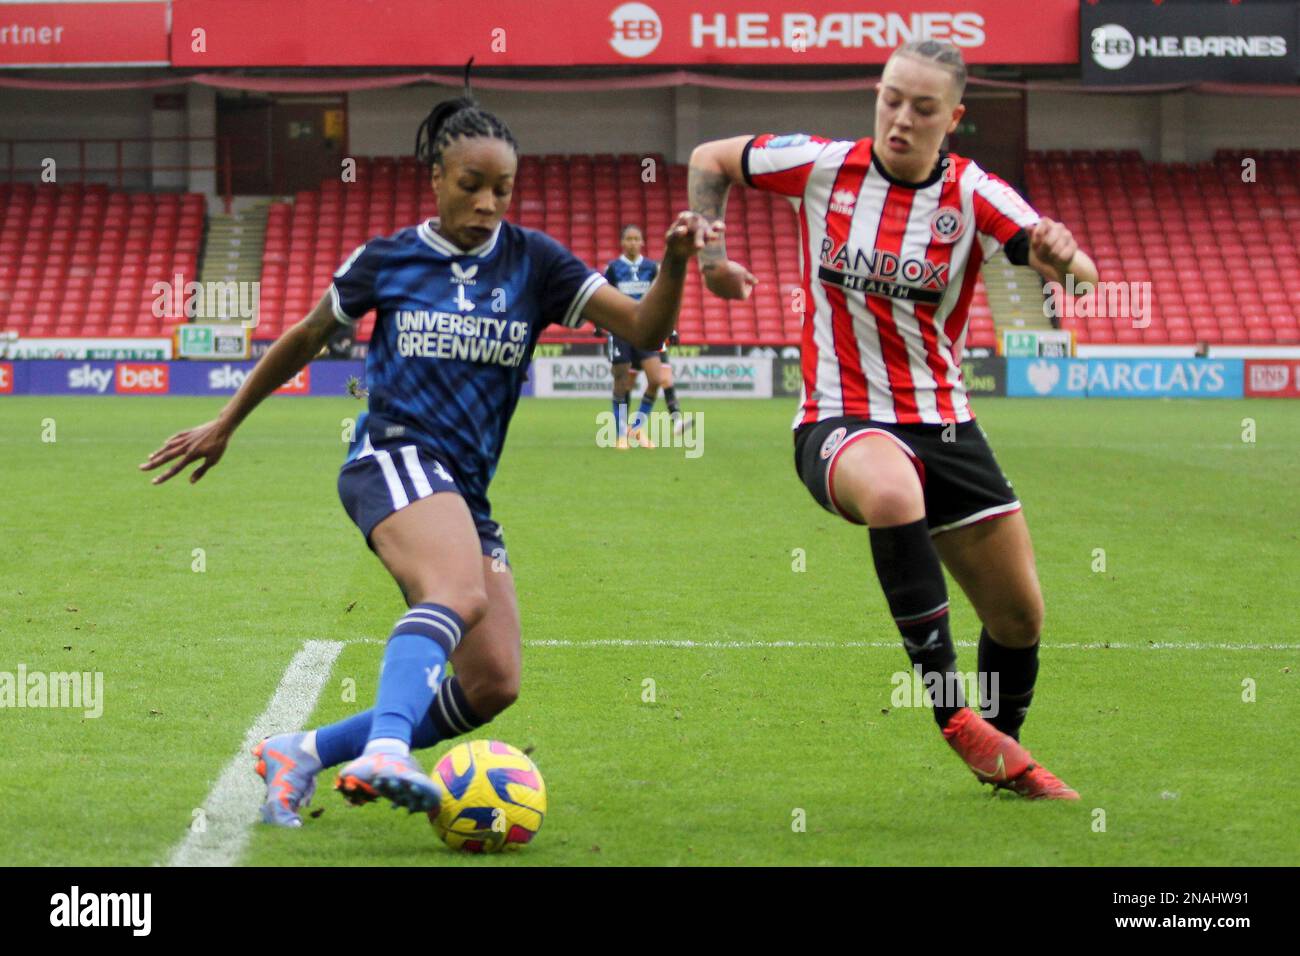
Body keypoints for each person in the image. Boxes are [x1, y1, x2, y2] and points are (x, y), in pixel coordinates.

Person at [140, 96, 719, 825]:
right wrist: (227, 421)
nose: (486, 203)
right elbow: (306, 336)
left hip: (463, 489)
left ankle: (304, 751)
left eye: (501, 190)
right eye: (470, 185)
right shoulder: (387, 260)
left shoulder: (535, 262)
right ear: (436, 178)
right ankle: (386, 748)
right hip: (392, 455)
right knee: (458, 591)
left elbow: (643, 327)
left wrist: (670, 264)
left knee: (492, 680)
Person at [686, 40, 1098, 799]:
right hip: (838, 420)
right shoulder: (819, 166)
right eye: (890, 99)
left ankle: (1005, 760)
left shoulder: (974, 194)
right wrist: (711, 255)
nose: (901, 118)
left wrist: (1063, 255)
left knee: (1018, 617)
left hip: (945, 425)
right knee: (892, 491)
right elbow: (711, 156)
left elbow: (1079, 274)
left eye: (923, 107)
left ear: (955, 118)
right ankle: (954, 717)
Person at [603, 224, 686, 447]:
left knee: (656, 379)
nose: (632, 242)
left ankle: (636, 428)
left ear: (642, 242)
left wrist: (671, 328)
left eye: (636, 238)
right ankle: (621, 434)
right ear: (622, 242)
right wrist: (601, 322)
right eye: (628, 239)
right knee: (621, 380)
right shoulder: (613, 268)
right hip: (620, 328)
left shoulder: (651, 268)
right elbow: (604, 296)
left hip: (646, 329)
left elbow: (666, 300)